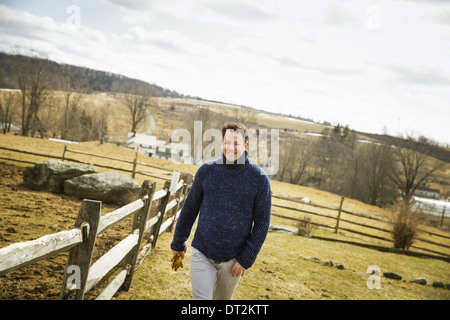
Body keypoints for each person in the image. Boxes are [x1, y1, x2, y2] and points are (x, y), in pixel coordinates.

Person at [170, 122, 272, 300]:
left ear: (245, 145)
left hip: (234, 261)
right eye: (227, 142)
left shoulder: (259, 178)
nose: (230, 147)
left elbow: (262, 223)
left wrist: (246, 258)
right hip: (203, 253)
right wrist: (178, 243)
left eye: (236, 143)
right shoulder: (206, 171)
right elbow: (190, 209)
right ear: (221, 143)